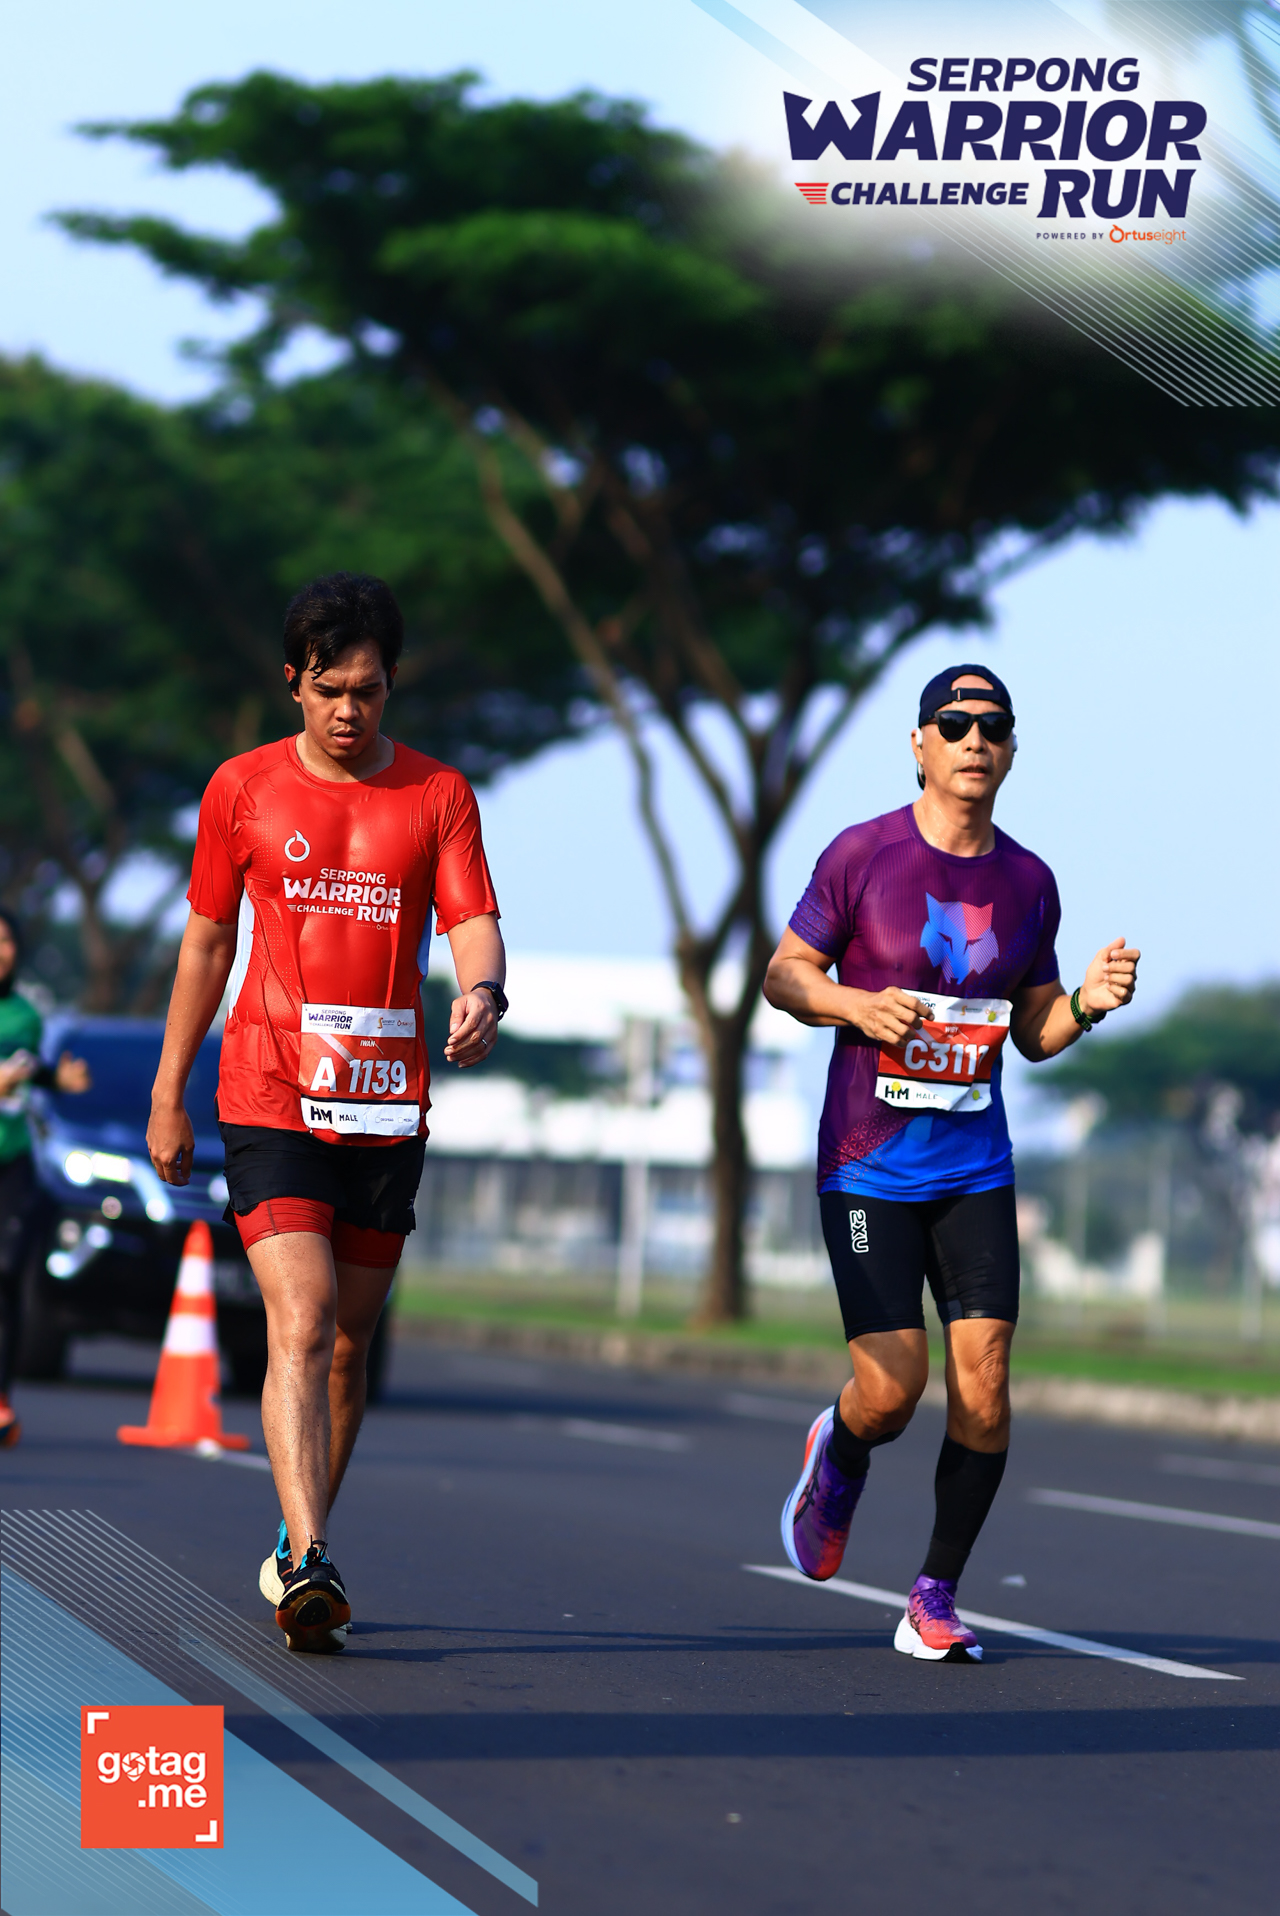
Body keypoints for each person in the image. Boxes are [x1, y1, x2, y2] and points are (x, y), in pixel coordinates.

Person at [146, 573, 506, 1652]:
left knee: (349, 1347)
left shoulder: (438, 794)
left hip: (385, 1104)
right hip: (268, 1092)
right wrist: (169, 1092)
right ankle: (309, 1558)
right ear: (294, 683)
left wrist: (483, 991)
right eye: (330, 688)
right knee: (299, 1320)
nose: (350, 710)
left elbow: (471, 917)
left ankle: (302, 1537)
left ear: (391, 685)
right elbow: (208, 941)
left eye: (369, 690)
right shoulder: (242, 789)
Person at [763, 664, 1139, 1662]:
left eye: (993, 726)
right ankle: (840, 1449)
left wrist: (1087, 1004)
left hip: (974, 1164)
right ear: (919, 743)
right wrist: (852, 1004)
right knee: (892, 1388)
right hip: (866, 1163)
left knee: (986, 1381)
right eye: (954, 721)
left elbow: (1034, 1030)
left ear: (1011, 751)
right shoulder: (864, 854)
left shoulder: (1029, 882)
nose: (975, 738)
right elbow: (784, 975)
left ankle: (932, 1594)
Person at [0, 909, 91, 1445]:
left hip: (12, 1160)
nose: (1, 951)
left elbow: (25, 1070)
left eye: (7, 940)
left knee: (6, 1272)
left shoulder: (24, 1016)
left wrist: (58, 1078)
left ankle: (1, 1398)